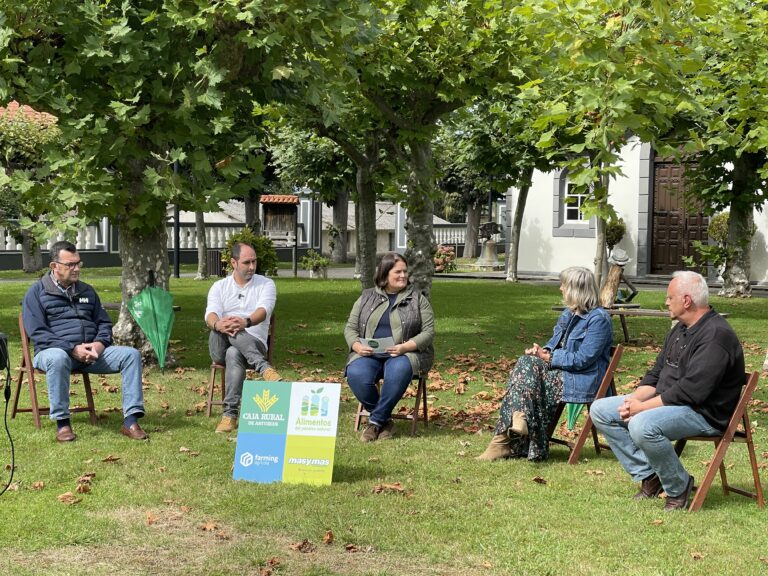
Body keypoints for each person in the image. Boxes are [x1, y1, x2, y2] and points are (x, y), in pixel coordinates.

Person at [590, 271, 744, 511]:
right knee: (601, 409)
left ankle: (678, 485)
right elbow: (657, 371)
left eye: (669, 297)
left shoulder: (716, 336)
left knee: (642, 425)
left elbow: (691, 392)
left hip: (704, 413)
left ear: (686, 300)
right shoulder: (681, 328)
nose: (665, 302)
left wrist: (641, 408)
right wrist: (634, 399)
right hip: (672, 404)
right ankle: (650, 474)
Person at [477, 266, 612, 462]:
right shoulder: (569, 314)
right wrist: (542, 352)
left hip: (583, 379)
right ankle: (515, 423)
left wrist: (549, 358)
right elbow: (554, 344)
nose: (560, 289)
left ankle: (505, 439)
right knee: (526, 362)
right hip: (562, 372)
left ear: (576, 289)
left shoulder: (599, 320)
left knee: (528, 375)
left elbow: (583, 359)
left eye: (563, 285)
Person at [22, 241, 147, 442]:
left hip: (91, 353)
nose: (77, 268)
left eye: (79, 263)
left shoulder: (87, 291)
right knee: (58, 358)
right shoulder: (36, 293)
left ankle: (130, 421)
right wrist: (72, 349)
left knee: (131, 355)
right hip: (54, 353)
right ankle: (63, 424)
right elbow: (38, 332)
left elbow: (104, 323)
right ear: (54, 266)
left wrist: (99, 344)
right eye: (70, 264)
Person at [344, 252, 435, 442]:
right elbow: (350, 328)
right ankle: (385, 421)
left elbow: (428, 333)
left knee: (399, 369)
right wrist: (357, 346)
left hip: (405, 354)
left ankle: (375, 422)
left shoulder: (418, 299)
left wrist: (405, 347)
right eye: (398, 272)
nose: (403, 276)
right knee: (356, 374)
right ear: (385, 274)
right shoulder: (366, 297)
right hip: (369, 354)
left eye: (405, 272)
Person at [205, 241, 281, 434]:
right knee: (228, 334)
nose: (252, 267)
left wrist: (245, 322)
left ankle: (230, 416)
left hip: (255, 343)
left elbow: (264, 311)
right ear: (234, 262)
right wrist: (219, 324)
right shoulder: (219, 287)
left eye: (254, 262)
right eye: (247, 262)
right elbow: (211, 314)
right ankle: (264, 368)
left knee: (233, 353)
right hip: (219, 343)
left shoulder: (266, 284)